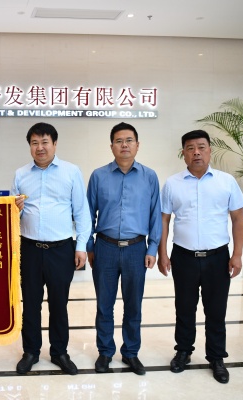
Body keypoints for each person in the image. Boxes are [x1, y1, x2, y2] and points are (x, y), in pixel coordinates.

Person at [158, 129, 243, 384]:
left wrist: (237, 254)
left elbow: (238, 219)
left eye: (201, 147)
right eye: (190, 148)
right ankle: (183, 352)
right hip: (183, 257)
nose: (196, 152)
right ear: (183, 153)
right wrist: (163, 253)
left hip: (217, 257)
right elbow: (164, 220)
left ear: (209, 150)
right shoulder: (172, 183)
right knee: (184, 308)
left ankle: (216, 358)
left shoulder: (226, 181)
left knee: (216, 311)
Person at [11, 122, 91, 375]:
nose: (40, 147)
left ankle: (59, 352)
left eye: (45, 142)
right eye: (34, 143)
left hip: (61, 249)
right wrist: (15, 210)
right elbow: (12, 216)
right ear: (29, 146)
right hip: (29, 249)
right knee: (30, 303)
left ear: (55, 144)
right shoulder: (21, 174)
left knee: (59, 304)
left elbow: (82, 212)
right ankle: (31, 351)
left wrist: (81, 247)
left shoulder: (71, 172)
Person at [86, 122, 161, 375]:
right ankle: (105, 352)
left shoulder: (149, 177)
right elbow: (88, 214)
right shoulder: (99, 176)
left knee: (133, 305)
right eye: (119, 141)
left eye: (129, 140)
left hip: (136, 249)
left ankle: (130, 352)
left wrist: (152, 249)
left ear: (137, 145)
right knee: (104, 305)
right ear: (111, 146)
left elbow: (156, 214)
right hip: (105, 247)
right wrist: (89, 246)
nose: (124, 145)